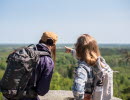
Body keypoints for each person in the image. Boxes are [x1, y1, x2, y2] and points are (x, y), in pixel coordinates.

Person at [65, 34, 113, 100]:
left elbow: (78, 91)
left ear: (78, 49)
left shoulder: (83, 68)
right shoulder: (101, 63)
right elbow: (84, 55)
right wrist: (71, 51)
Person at [20, 32, 58, 100]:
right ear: (51, 44)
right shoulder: (47, 61)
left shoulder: (27, 52)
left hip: (12, 94)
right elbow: (42, 91)